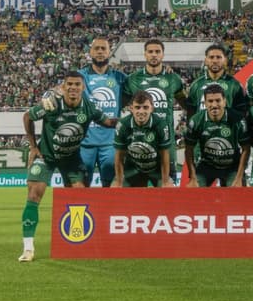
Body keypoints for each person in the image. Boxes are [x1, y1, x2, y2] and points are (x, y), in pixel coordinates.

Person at [19, 71, 117, 262]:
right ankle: (28, 248)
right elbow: (27, 117)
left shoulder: (89, 107)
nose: (73, 87)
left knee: (79, 198)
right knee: (34, 194)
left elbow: (108, 122)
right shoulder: (52, 104)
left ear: (83, 87)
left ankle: (75, 244)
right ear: (63, 86)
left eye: (77, 84)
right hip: (46, 156)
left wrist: (131, 120)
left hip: (72, 159)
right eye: (69, 84)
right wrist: (33, 146)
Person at [122, 39, 186, 184]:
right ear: (144, 54)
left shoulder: (173, 78)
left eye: (157, 51)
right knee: (135, 188)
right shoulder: (133, 79)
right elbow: (121, 103)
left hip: (166, 141)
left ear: (163, 54)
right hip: (139, 140)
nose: (154, 54)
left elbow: (185, 104)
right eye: (150, 51)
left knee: (167, 186)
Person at [79, 37, 127, 187]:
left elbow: (140, 92)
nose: (100, 52)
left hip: (111, 143)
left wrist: (164, 72)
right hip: (85, 142)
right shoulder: (80, 77)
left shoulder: (120, 78)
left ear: (109, 52)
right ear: (90, 52)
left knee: (111, 187)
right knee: (80, 186)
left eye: (103, 49)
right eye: (97, 48)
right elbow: (62, 90)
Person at [184, 84, 251, 187]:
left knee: (237, 192)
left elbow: (246, 148)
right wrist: (193, 177)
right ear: (205, 103)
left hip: (232, 166)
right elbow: (189, 149)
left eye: (218, 100)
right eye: (210, 101)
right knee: (193, 190)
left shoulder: (238, 119)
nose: (214, 105)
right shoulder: (196, 120)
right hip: (207, 165)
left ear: (224, 101)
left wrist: (238, 178)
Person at [111, 90, 173, 188]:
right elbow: (119, 157)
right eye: (137, 107)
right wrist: (119, 181)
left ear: (152, 108)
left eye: (145, 107)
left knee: (168, 189)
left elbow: (164, 155)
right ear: (131, 108)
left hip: (156, 169)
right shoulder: (123, 125)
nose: (141, 111)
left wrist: (165, 181)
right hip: (132, 168)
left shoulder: (161, 125)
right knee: (115, 189)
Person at [186, 44, 249, 120]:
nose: (215, 61)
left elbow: (242, 114)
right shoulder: (196, 85)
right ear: (206, 60)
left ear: (225, 60)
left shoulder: (235, 85)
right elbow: (191, 114)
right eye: (211, 57)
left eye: (218, 57)